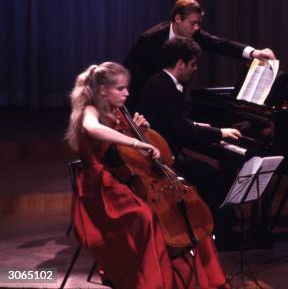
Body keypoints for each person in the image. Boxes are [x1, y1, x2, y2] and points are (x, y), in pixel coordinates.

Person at [65, 62, 228, 289]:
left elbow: (125, 156)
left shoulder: (120, 110)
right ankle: (152, 282)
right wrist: (135, 141)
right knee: (146, 217)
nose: (127, 93)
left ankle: (199, 277)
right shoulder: (90, 110)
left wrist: (140, 130)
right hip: (100, 188)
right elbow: (93, 129)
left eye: (127, 88)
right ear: (103, 90)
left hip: (122, 180)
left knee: (185, 210)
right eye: (120, 88)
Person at [139, 37, 243, 245]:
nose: (195, 69)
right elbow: (180, 128)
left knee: (211, 174)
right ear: (180, 64)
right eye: (193, 64)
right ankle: (219, 236)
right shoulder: (165, 87)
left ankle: (215, 229)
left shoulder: (160, 82)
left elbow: (175, 121)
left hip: (167, 152)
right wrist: (219, 133)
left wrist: (201, 127)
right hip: (164, 162)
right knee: (214, 178)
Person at [124, 0, 276, 110]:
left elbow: (220, 44)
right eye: (192, 23)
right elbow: (130, 73)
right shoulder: (150, 39)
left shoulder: (194, 34)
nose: (196, 28)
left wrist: (253, 52)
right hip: (145, 107)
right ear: (177, 19)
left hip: (175, 104)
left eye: (198, 23)